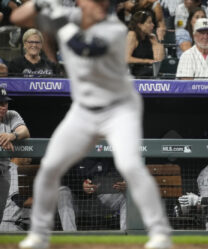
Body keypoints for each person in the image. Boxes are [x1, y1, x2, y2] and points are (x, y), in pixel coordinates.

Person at [11, 1, 171, 249]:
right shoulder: (68, 15)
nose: (100, 4)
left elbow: (84, 47)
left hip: (120, 109)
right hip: (83, 110)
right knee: (50, 166)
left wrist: (57, 22)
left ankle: (160, 232)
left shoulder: (115, 29)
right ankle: (39, 235)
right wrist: (42, 5)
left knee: (130, 165)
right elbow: (18, 17)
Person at [57, 158, 127, 231]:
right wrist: (81, 186)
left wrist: (125, 183)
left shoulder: (107, 155)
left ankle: (127, 238)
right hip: (76, 202)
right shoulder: (75, 152)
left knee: (127, 198)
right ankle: (70, 237)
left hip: (100, 199)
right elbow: (63, 178)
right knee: (62, 192)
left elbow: (117, 174)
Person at [0, 87, 30, 225]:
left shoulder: (11, 115)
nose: (3, 107)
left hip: (4, 169)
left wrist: (12, 135)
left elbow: (24, 131)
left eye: (5, 103)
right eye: (0, 103)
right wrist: (2, 140)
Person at [126, 10, 165, 77]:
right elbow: (126, 58)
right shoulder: (132, 35)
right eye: (149, 22)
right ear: (140, 25)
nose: (153, 25)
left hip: (150, 73)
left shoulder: (151, 37)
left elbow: (158, 60)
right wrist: (146, 61)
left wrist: (159, 41)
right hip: (135, 74)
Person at [0, 158, 32, 232]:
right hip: (10, 226)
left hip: (10, 224)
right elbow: (18, 199)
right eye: (28, 156)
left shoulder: (6, 168)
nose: (30, 159)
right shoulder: (14, 170)